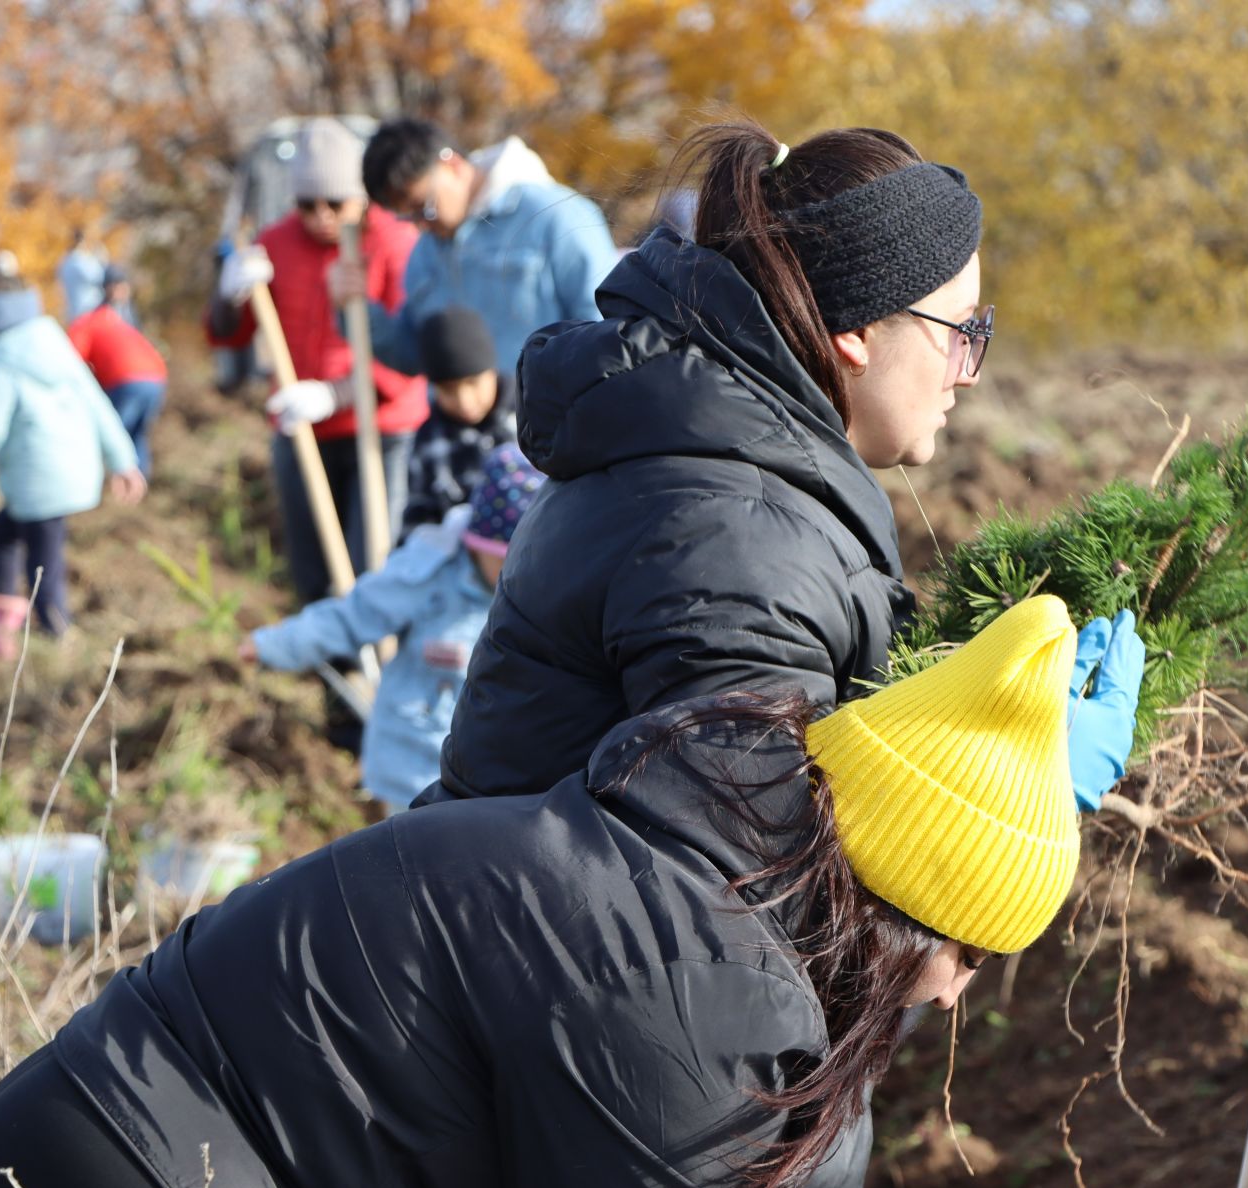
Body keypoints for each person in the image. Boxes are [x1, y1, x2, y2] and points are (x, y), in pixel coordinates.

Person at [0, 593, 1143, 1188]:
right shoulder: (697, 975)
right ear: (890, 910)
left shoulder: (698, 868)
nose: (956, 993)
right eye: (966, 953)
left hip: (128, 1184)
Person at [422, 122, 1002, 806]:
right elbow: (747, 879)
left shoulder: (707, 458)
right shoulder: (737, 545)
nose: (968, 374)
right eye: (962, 332)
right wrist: (1002, 790)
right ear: (858, 333)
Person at [239, 443, 544, 812]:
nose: (512, 571)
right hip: (413, 771)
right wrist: (271, 646)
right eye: (501, 558)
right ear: (476, 542)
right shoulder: (429, 573)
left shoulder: (544, 600)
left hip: (494, 788)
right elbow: (351, 617)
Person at [206, 117, 428, 604]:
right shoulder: (275, 243)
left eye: (336, 203)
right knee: (312, 564)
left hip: (382, 426)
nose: (322, 216)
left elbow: (412, 350)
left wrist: (335, 394)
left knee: (373, 557)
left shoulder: (395, 242)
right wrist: (228, 295)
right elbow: (228, 334)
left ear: (363, 195)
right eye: (308, 205)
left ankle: (375, 665)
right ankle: (329, 669)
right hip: (300, 424)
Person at [0, 271, 147, 656]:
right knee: (4, 529)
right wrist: (123, 460)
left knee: (42, 561)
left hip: (39, 476)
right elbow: (97, 402)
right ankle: (1, 623)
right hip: (72, 469)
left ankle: (57, 633)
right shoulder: (54, 342)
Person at [343, 117, 618, 382]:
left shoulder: (555, 217)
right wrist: (355, 309)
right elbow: (413, 355)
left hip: (553, 421)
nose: (419, 225)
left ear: (451, 165)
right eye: (406, 217)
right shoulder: (424, 255)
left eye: (423, 207)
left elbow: (605, 330)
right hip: (462, 429)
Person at [399, 304, 518, 529]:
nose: (464, 401)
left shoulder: (531, 418)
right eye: (448, 389)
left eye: (473, 383)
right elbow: (417, 519)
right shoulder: (429, 440)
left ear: (492, 370)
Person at [68, 266, 168, 476]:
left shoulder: (87, 323)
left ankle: (106, 483)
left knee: (114, 434)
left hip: (127, 381)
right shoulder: (118, 321)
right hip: (157, 378)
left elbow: (71, 362)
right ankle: (140, 483)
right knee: (136, 434)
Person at [57, 228, 107, 322]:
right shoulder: (79, 261)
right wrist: (99, 259)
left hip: (74, 310)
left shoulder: (65, 261)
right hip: (88, 308)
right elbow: (98, 277)